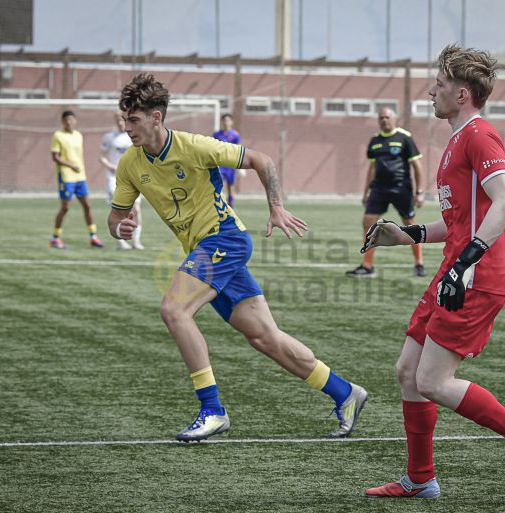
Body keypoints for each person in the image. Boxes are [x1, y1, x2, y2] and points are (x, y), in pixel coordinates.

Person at [107, 73, 368, 442]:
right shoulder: (130, 165)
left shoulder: (195, 146)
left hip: (224, 239)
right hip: (206, 249)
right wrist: (121, 229)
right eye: (124, 119)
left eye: (133, 119)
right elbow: (115, 217)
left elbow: (262, 160)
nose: (127, 127)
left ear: (156, 117)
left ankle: (212, 409)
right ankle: (346, 393)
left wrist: (276, 208)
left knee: (174, 310)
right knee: (265, 338)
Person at [361, 44, 505, 500]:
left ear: (463, 94)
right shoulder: (457, 139)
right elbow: (458, 225)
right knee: (408, 370)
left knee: (432, 381)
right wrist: (406, 234)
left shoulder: (478, 135)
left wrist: (465, 263)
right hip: (457, 268)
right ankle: (421, 478)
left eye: (441, 84)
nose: (433, 91)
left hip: (476, 275)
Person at [346, 106, 426, 278]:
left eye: (387, 117)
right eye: (381, 118)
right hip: (379, 189)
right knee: (367, 221)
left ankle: (419, 263)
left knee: (410, 223)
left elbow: (417, 166)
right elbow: (372, 168)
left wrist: (419, 191)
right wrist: (365, 192)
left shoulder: (405, 138)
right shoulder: (374, 140)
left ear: (394, 118)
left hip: (401, 189)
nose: (384, 120)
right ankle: (367, 266)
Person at [49, 110, 103, 249]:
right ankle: (55, 238)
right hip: (66, 177)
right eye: (66, 120)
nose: (69, 122)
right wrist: (71, 166)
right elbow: (55, 157)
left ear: (75, 121)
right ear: (63, 122)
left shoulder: (79, 135)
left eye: (71, 120)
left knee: (87, 206)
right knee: (65, 207)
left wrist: (78, 168)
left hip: (80, 177)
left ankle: (93, 237)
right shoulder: (58, 135)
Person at [100, 111, 143, 250]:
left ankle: (136, 241)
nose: (120, 122)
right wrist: (112, 167)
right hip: (114, 178)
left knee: (136, 209)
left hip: (133, 177)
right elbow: (101, 157)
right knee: (121, 209)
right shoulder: (109, 137)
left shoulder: (134, 136)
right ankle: (121, 241)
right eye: (117, 119)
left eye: (122, 119)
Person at [212, 113, 242, 207]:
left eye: (228, 120)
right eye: (224, 120)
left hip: (230, 164)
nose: (226, 122)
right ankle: (219, 203)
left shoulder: (235, 135)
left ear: (231, 122)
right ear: (222, 122)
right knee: (219, 184)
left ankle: (231, 203)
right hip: (220, 163)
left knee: (230, 185)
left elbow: (239, 149)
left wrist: (240, 166)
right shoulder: (216, 134)